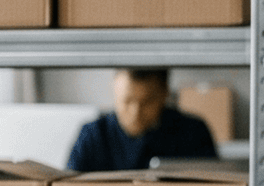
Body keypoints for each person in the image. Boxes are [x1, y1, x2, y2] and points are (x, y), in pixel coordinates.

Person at [66, 67, 220, 172]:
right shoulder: (92, 135)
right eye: (126, 101)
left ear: (164, 93)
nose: (135, 113)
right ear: (114, 90)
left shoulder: (193, 132)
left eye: (147, 102)